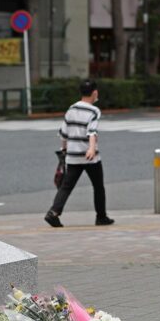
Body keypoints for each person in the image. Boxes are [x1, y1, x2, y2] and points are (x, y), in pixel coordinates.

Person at [45, 80, 114, 228]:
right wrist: (91, 149)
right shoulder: (94, 111)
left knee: (66, 186)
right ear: (94, 92)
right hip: (90, 157)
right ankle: (101, 217)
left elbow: (63, 133)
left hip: (72, 155)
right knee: (98, 187)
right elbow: (92, 131)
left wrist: (64, 150)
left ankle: (53, 212)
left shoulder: (71, 109)